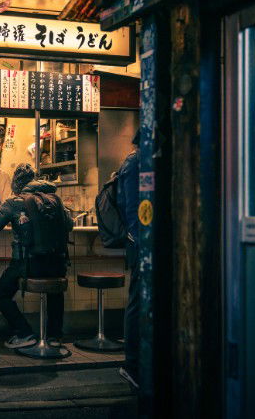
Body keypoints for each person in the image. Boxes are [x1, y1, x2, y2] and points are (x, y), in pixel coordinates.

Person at [0, 164, 73, 349]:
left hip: (27, 264)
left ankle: (24, 333)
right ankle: (55, 337)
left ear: (17, 184)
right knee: (54, 291)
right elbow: (70, 225)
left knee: (0, 294)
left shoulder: (15, 202)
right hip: (58, 263)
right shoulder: (56, 200)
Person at [116, 130, 140, 389]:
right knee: (137, 302)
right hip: (141, 245)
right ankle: (133, 364)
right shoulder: (135, 163)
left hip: (142, 242)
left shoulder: (140, 161)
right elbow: (132, 210)